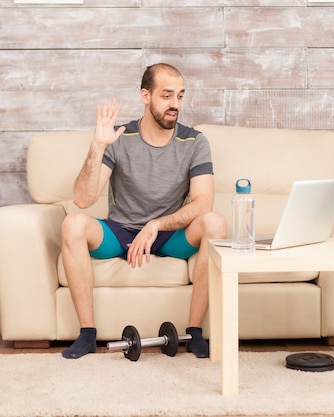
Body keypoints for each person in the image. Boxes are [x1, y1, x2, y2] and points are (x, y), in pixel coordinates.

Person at [60, 63, 227, 359]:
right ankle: (87, 334)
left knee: (214, 222)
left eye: (179, 96)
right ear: (145, 96)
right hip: (120, 232)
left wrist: (157, 225)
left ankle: (195, 332)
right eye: (166, 96)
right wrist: (98, 146)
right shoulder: (120, 137)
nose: (175, 104)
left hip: (168, 235)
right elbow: (83, 200)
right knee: (73, 224)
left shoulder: (195, 141)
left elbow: (203, 204)